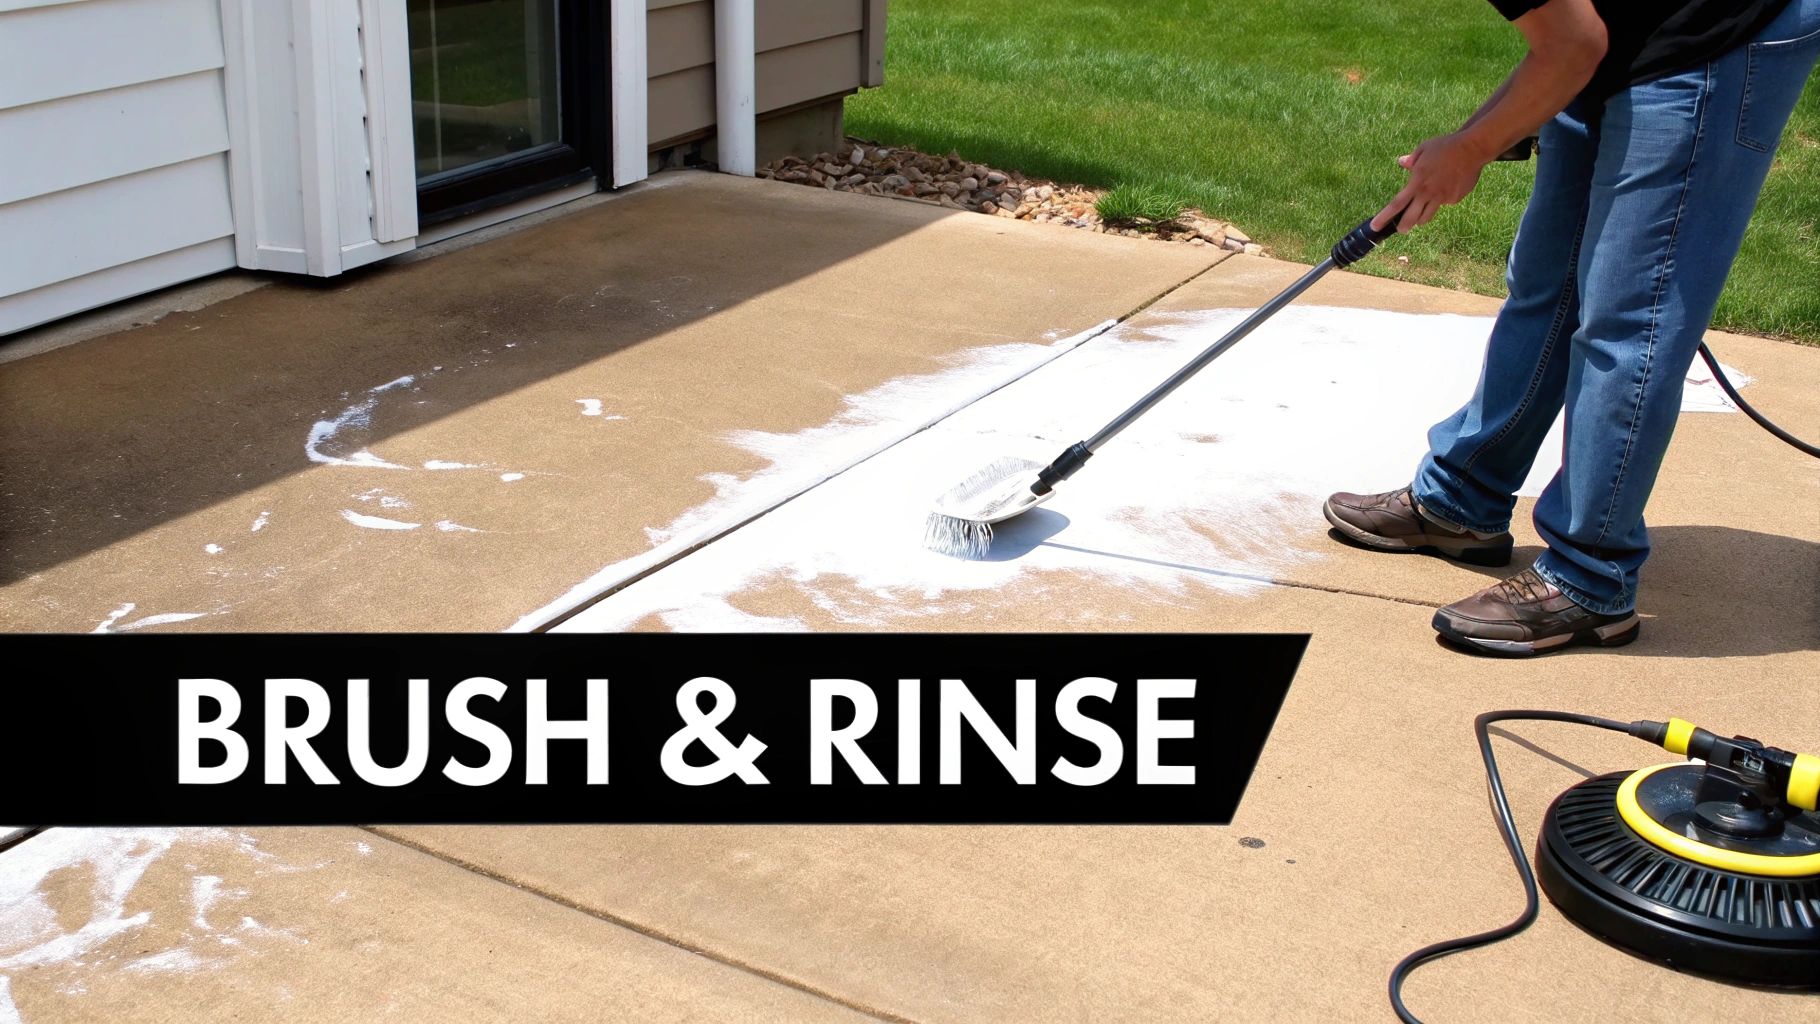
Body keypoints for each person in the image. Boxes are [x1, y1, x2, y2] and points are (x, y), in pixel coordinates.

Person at [1324, 0, 1820, 656]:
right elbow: (1570, 38)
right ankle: (1463, 498)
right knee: (1547, 286)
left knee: (1628, 318)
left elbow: (1571, 44)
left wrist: (1470, 147)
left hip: (1716, 32)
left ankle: (1591, 574)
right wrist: (1490, 131)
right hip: (1624, 30)